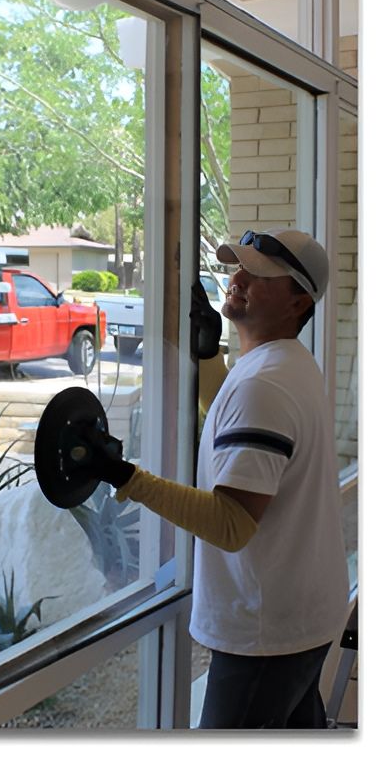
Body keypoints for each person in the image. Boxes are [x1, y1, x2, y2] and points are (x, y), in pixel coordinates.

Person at [81, 227, 350, 729]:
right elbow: (239, 423)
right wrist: (207, 355)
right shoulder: (285, 365)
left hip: (266, 632)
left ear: (298, 303)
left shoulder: (265, 384)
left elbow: (232, 524)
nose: (239, 277)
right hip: (301, 616)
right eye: (238, 267)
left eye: (261, 275)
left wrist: (122, 475)